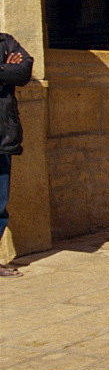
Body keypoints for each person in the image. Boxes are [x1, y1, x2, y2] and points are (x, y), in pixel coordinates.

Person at [1, 33, 33, 278]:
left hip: (2, 137)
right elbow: (12, 72)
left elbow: (22, 74)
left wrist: (12, 71)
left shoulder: (6, 42)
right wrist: (5, 69)